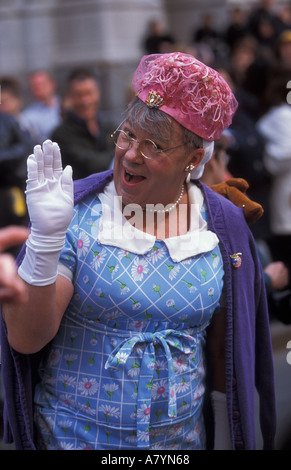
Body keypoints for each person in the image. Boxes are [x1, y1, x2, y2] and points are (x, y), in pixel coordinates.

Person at [1, 52, 276, 450]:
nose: (131, 154)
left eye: (154, 146)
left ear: (194, 159)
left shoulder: (221, 227)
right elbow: (26, 338)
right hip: (72, 440)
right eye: (128, 134)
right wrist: (45, 240)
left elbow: (224, 352)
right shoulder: (79, 215)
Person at [51, 68, 113, 180]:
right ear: (69, 96)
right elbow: (95, 166)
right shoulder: (61, 134)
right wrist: (116, 156)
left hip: (114, 193)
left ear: (98, 92)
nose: (85, 101)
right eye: (79, 95)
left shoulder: (111, 126)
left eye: (89, 93)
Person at [20, 70, 61, 144]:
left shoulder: (68, 105)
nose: (39, 88)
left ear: (52, 84)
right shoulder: (27, 116)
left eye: (42, 84)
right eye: (34, 85)